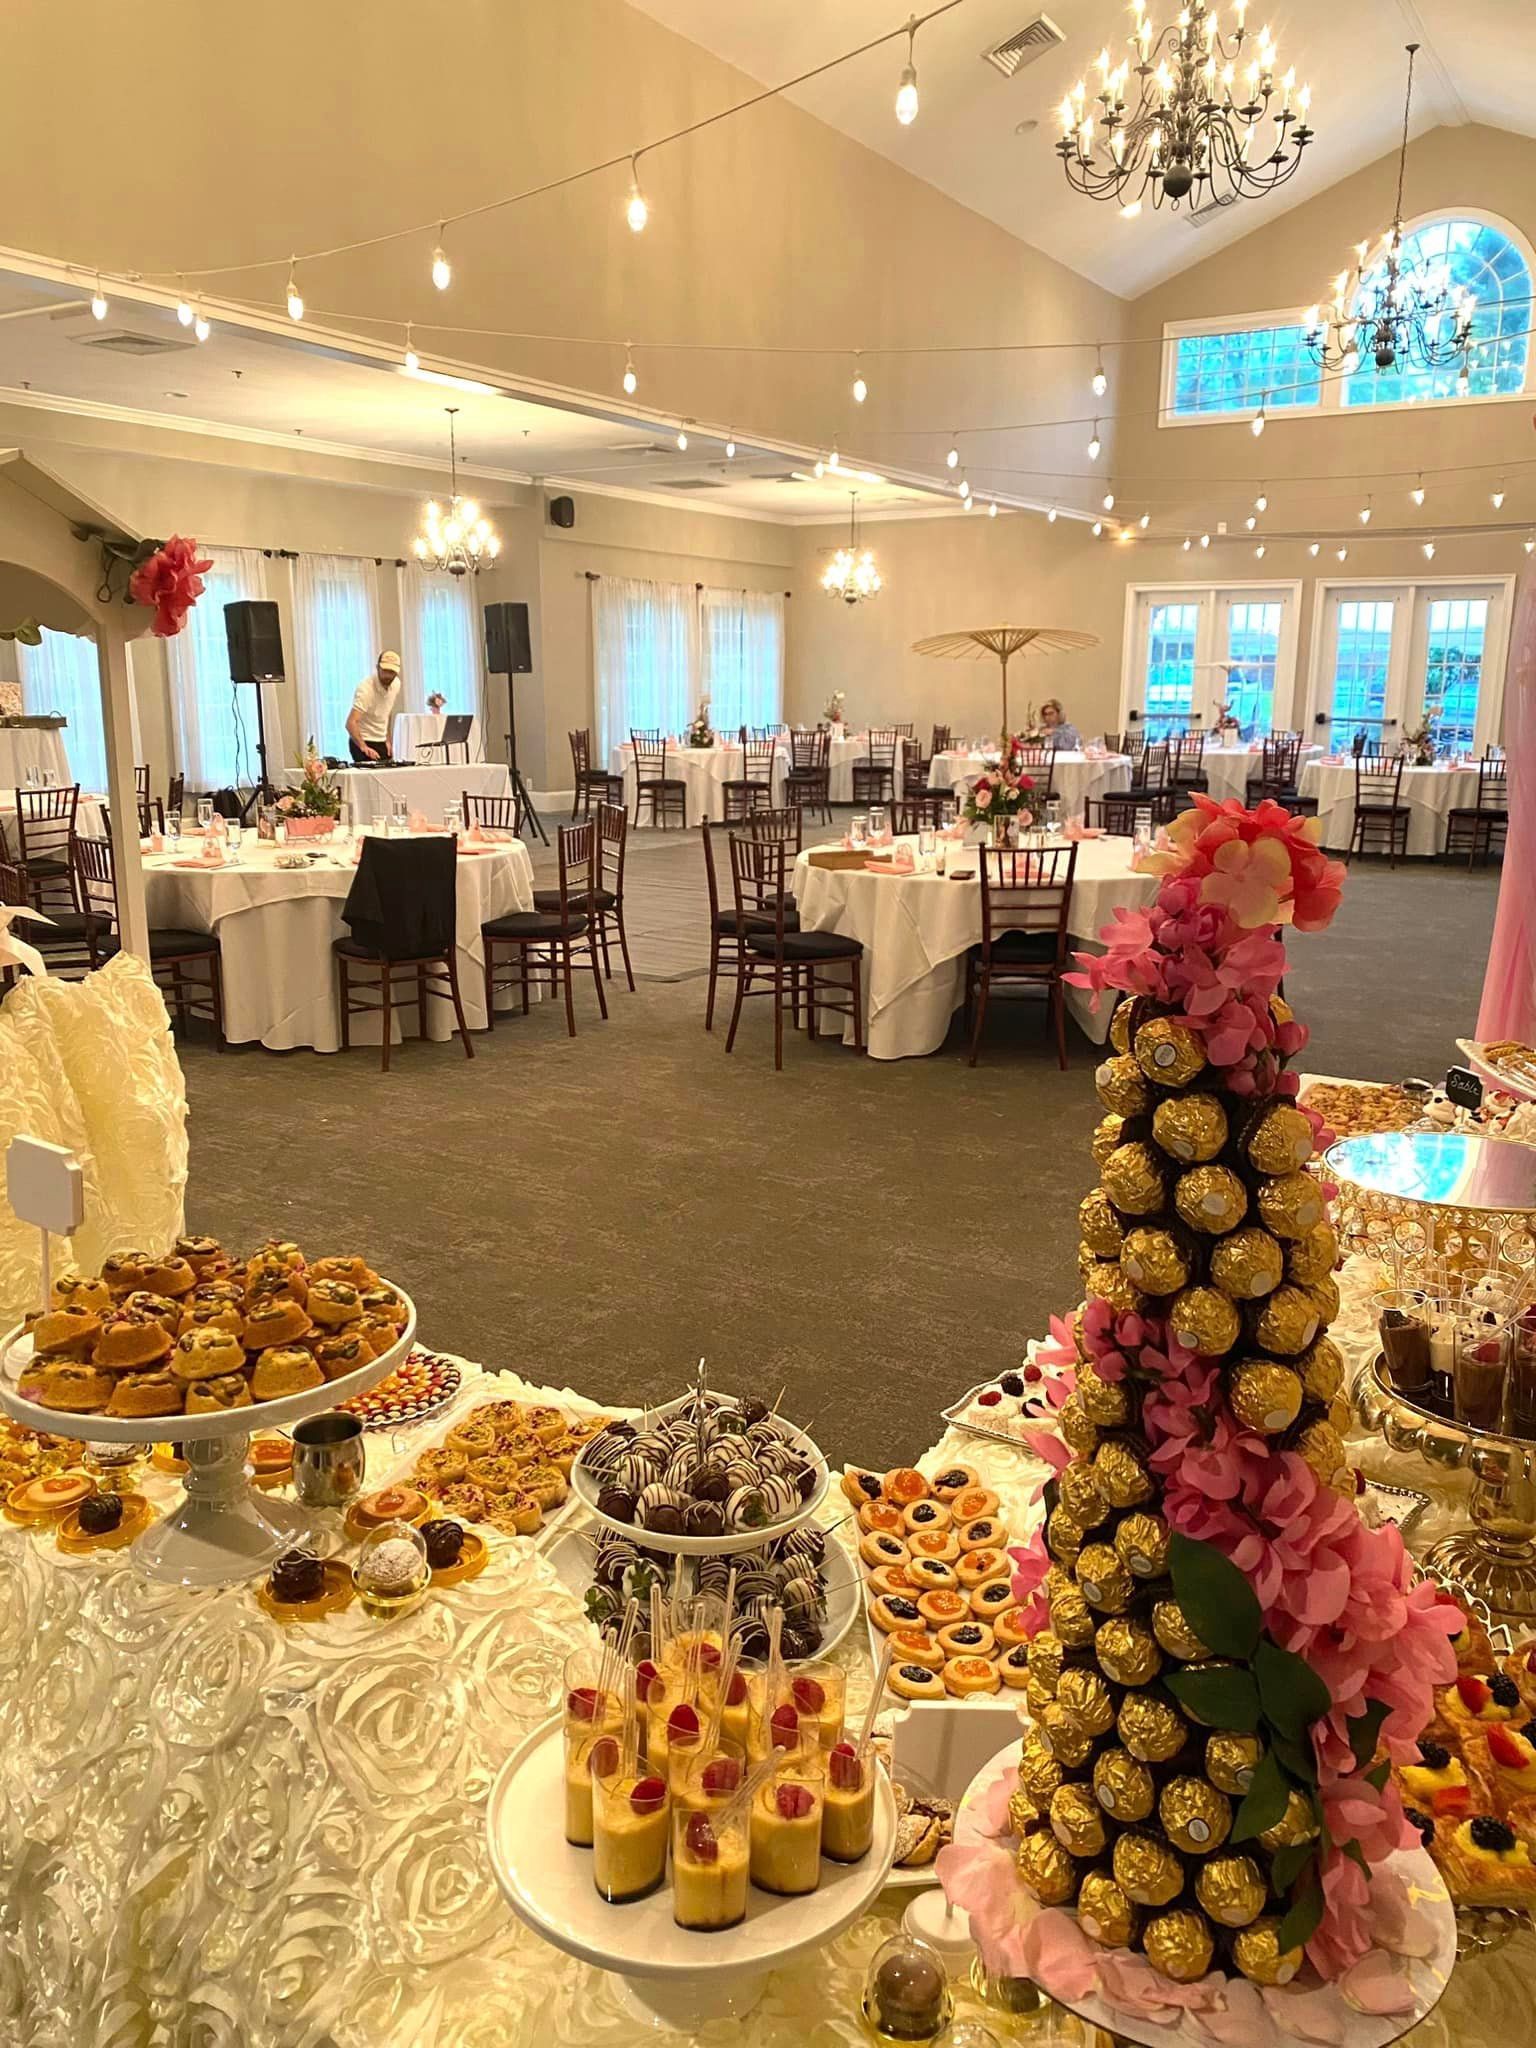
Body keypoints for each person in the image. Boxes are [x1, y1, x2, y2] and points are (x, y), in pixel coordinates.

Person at [346, 652, 402, 763]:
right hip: (362, 740)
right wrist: (363, 747)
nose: (388, 676)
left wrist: (388, 740)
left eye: (391, 672)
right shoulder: (365, 689)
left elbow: (387, 712)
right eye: (385, 671)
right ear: (377, 668)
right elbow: (351, 723)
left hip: (381, 740)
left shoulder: (396, 684)